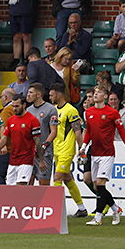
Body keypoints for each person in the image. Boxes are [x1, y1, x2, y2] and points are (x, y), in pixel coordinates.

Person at [81, 86, 125, 226]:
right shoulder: (88, 112)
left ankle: (98, 218)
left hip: (107, 153)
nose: (95, 95)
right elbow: (88, 132)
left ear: (105, 96)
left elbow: (123, 134)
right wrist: (83, 147)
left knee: (100, 183)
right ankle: (115, 208)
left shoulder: (112, 113)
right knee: (97, 186)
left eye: (99, 92)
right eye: (94, 92)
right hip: (94, 152)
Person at [49, 83, 87, 217]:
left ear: (59, 94)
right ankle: (82, 208)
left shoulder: (71, 110)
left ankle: (54, 210)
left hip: (67, 149)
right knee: (67, 179)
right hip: (57, 149)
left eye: (52, 94)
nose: (50, 97)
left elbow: (77, 131)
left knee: (57, 177)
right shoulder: (54, 110)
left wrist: (81, 149)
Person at [0, 94, 43, 185]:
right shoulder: (11, 120)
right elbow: (4, 137)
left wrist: (41, 160)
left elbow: (37, 141)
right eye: (13, 106)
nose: (14, 109)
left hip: (26, 160)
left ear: (24, 105)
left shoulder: (32, 120)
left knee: (21, 186)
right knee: (11, 189)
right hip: (13, 160)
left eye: (17, 106)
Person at [26, 83, 58, 185]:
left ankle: (45, 201)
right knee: (27, 184)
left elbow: (53, 131)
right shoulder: (28, 110)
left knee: (43, 185)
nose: (28, 95)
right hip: (30, 152)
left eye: (31, 92)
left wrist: (45, 146)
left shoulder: (50, 109)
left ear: (39, 94)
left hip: (44, 153)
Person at [0, 88, 15, 184]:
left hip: (5, 149)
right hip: (12, 148)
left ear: (5, 97)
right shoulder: (15, 110)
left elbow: (3, 128)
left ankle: (0, 197)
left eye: (1, 97)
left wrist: (2, 145)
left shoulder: (7, 110)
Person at [9, 0, 39, 66]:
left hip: (26, 9)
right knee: (16, 37)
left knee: (26, 36)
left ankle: (27, 60)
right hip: (14, 9)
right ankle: (16, 60)